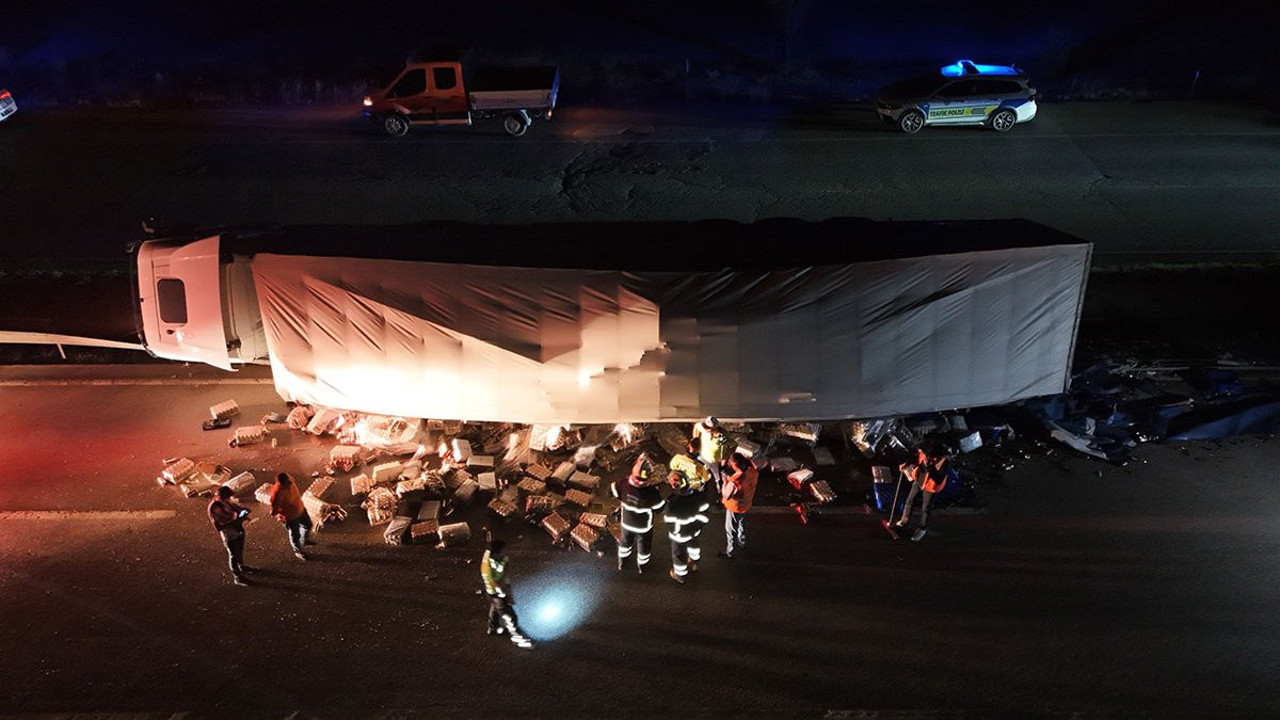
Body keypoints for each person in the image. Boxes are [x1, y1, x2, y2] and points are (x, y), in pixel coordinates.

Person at [612, 452, 666, 574]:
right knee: (644, 546)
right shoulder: (652, 492)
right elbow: (659, 508)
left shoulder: (623, 484)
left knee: (625, 543)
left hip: (627, 522)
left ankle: (622, 562)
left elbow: (616, 493)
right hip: (644, 526)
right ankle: (642, 566)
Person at [664, 450, 712, 584]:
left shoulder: (672, 502)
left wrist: (676, 531)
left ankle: (680, 575)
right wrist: (697, 527)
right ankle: (695, 562)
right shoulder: (698, 496)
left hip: (679, 534)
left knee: (678, 555)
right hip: (694, 531)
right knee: (694, 546)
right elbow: (705, 514)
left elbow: (669, 522)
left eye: (673, 481)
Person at [480, 540, 533, 649]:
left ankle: (492, 628)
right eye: (503, 551)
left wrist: (508, 588)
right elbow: (494, 583)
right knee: (510, 616)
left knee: (494, 608)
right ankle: (518, 637)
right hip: (495, 592)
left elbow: (505, 572)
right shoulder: (487, 566)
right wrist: (506, 596)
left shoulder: (495, 556)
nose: (506, 552)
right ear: (496, 554)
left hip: (494, 592)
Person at [895, 447, 950, 541]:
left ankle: (922, 528)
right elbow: (916, 459)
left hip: (931, 486)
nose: (920, 452)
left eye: (921, 450)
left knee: (925, 508)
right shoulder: (923, 454)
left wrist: (930, 467)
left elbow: (938, 479)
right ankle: (905, 521)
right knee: (909, 501)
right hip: (919, 480)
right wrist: (907, 464)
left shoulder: (943, 461)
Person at [207, 485, 254, 586]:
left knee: (239, 550)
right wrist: (237, 519)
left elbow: (236, 509)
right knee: (233, 555)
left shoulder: (225, 501)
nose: (230, 499)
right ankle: (237, 577)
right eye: (228, 497)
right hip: (229, 534)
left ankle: (241, 566)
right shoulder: (215, 507)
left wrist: (243, 513)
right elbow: (219, 526)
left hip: (238, 530)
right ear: (223, 496)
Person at [718, 452, 758, 559]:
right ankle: (742, 541)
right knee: (741, 524)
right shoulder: (753, 471)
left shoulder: (735, 481)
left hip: (734, 507)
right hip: (746, 504)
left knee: (730, 529)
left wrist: (725, 482)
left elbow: (726, 495)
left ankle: (730, 551)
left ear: (735, 465)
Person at [269, 472, 314, 560]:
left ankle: (303, 540)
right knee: (295, 534)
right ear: (281, 484)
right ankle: (297, 551)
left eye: (288, 480)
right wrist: (279, 515)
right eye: (287, 482)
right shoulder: (277, 494)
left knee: (308, 525)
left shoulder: (291, 480)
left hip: (301, 510)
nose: (289, 482)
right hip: (290, 517)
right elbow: (274, 510)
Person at [692, 416, 735, 493]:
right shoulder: (703, 428)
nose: (705, 430)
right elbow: (697, 426)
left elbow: (734, 445)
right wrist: (696, 439)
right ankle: (699, 487)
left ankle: (719, 488)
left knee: (717, 477)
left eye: (707, 429)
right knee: (699, 472)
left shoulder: (723, 437)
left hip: (715, 461)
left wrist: (725, 457)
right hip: (702, 456)